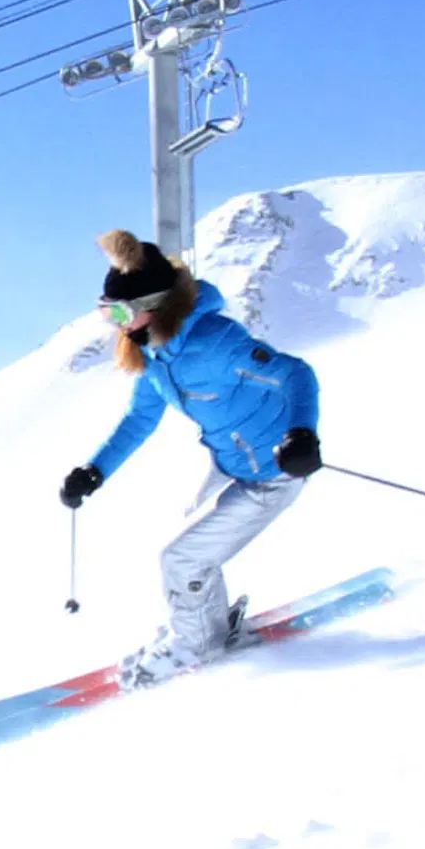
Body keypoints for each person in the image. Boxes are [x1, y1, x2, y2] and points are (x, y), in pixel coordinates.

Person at [55, 229, 323, 687]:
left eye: (119, 312)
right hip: (234, 471)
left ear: (153, 307)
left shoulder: (215, 341)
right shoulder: (157, 358)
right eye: (106, 313)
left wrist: (302, 436)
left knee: (182, 560)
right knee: (192, 557)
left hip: (276, 471)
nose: (114, 324)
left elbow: (295, 372)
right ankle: (210, 631)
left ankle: (198, 646)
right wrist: (93, 471)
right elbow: (140, 420)